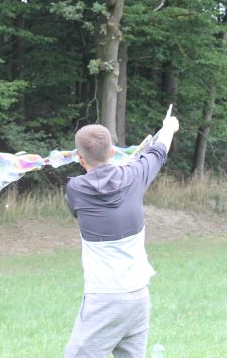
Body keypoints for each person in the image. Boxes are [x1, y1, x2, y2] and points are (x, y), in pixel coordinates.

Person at [64, 108, 180, 358]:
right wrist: (169, 127)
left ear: (81, 159)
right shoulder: (135, 175)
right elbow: (158, 151)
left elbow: (81, 204)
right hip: (138, 297)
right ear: (112, 152)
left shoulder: (76, 188)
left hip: (104, 298)